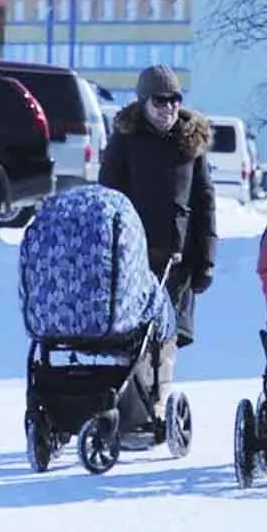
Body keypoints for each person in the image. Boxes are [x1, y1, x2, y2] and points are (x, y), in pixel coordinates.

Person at [99, 65, 217, 444]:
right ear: (143, 101)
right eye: (160, 100)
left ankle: (157, 407)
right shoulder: (126, 140)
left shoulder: (191, 143)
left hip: (177, 261)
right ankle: (129, 410)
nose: (168, 108)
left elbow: (204, 203)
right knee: (133, 335)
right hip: (133, 259)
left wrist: (206, 260)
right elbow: (109, 198)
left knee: (166, 338)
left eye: (174, 100)